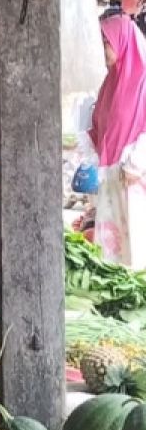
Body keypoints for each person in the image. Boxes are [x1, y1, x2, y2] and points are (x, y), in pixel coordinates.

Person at [90, 13, 146, 269]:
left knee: (136, 240)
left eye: (106, 42)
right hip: (112, 176)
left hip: (134, 178)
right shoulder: (110, 82)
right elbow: (99, 124)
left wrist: (136, 163)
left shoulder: (143, 81)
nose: (103, 49)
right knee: (112, 247)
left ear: (122, 40)